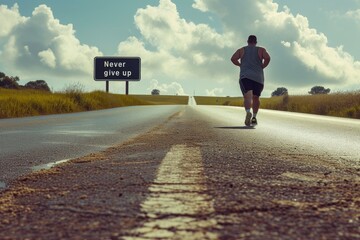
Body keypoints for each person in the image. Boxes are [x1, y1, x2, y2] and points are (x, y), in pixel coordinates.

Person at [231, 35, 270, 126]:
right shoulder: (261, 50)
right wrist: (262, 66)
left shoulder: (241, 50)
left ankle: (248, 112)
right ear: (256, 42)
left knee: (248, 97)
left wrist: (240, 64)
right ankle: (254, 117)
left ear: (247, 41)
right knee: (256, 97)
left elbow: (233, 58)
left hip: (246, 76)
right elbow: (267, 58)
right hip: (258, 77)